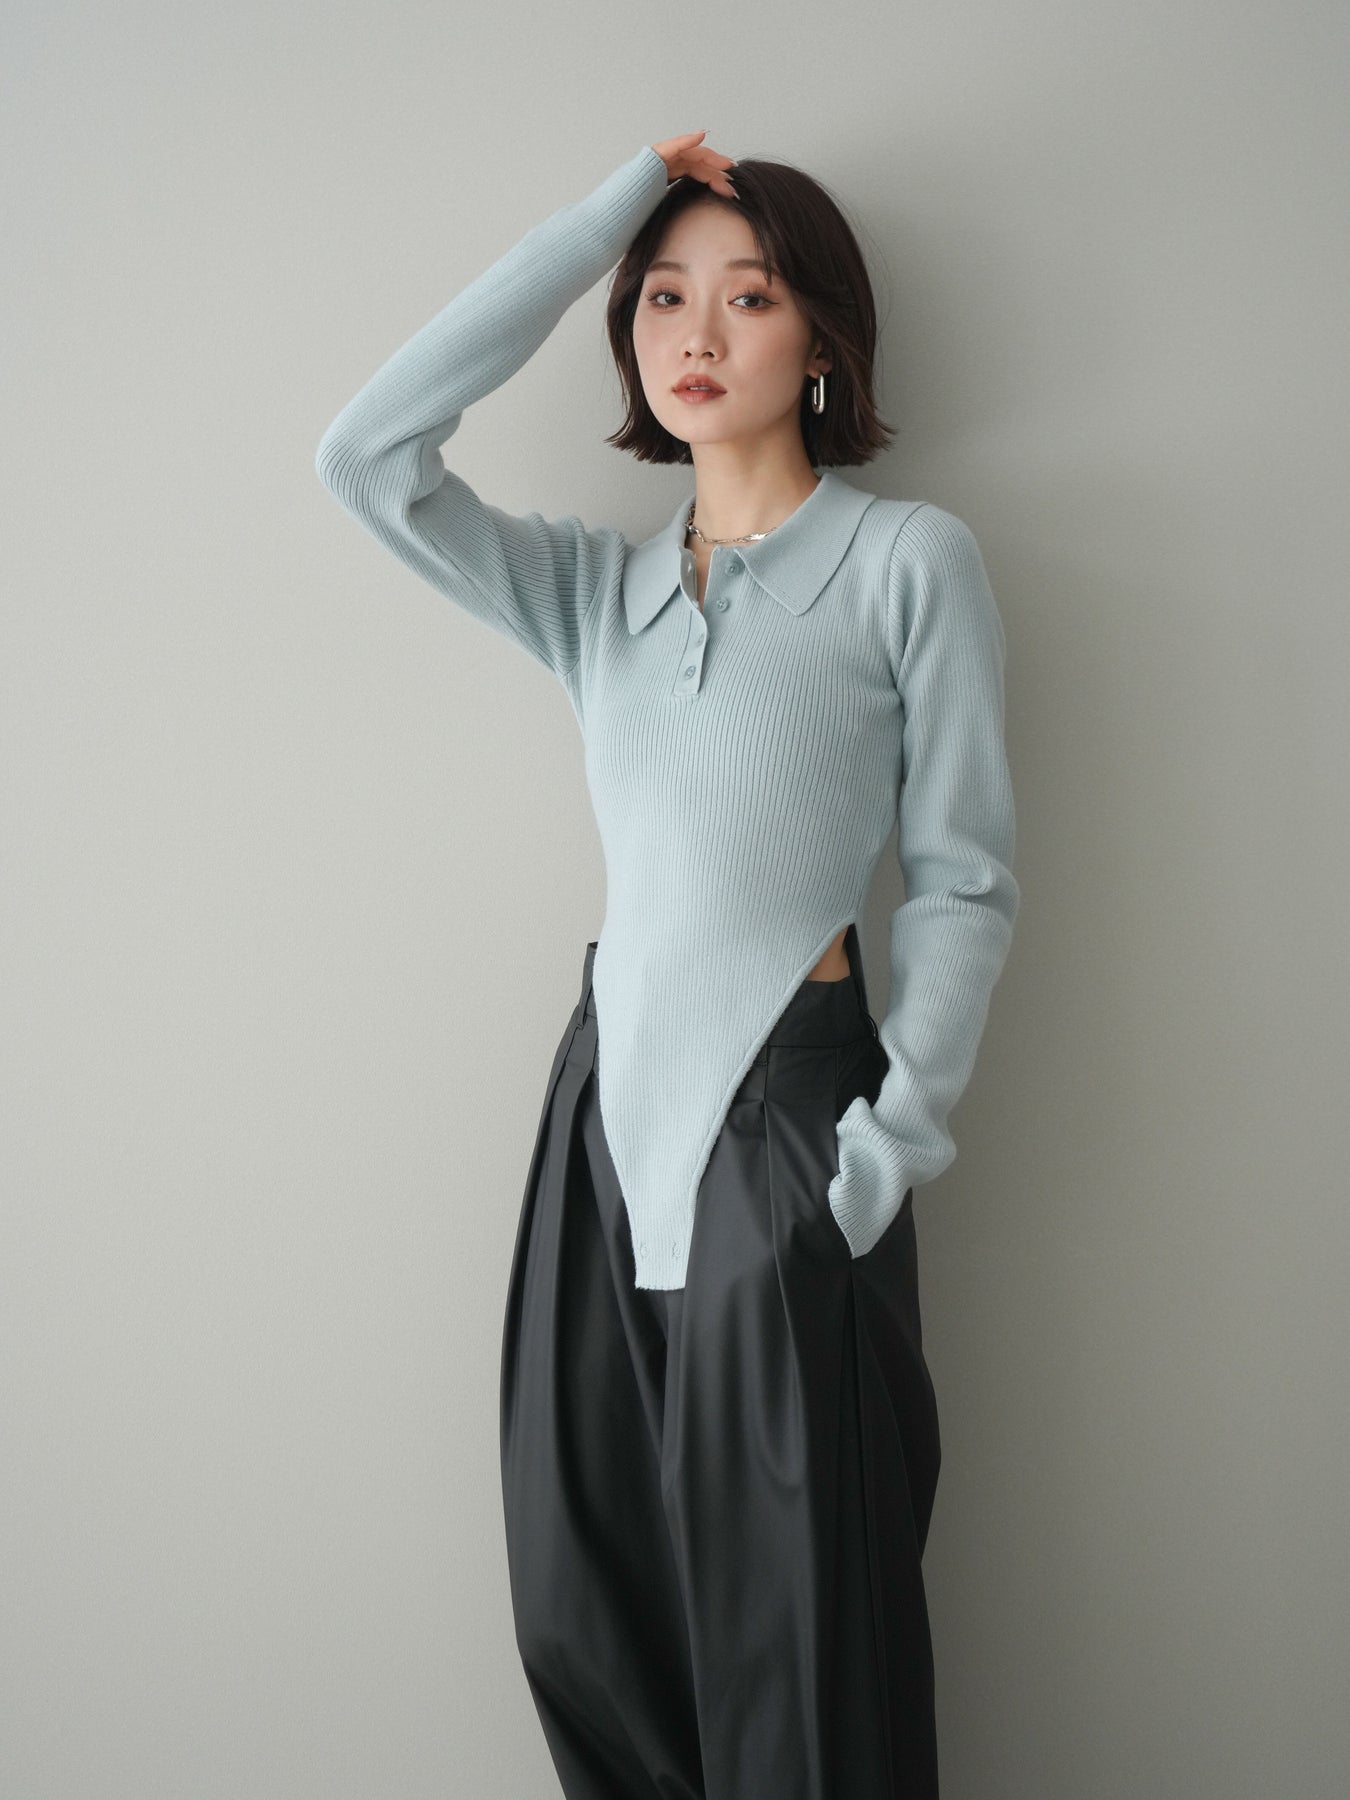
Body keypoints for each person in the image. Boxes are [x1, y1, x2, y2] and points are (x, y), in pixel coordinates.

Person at [316, 129, 1019, 1800]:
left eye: (749, 295)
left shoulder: (906, 562)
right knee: (589, 1623)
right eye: (661, 298)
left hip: (790, 1135)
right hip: (600, 1125)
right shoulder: (591, 593)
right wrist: (598, 223)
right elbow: (367, 456)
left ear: (822, 336)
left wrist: (879, 1156)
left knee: (804, 1653)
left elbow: (965, 881)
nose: (695, 332)